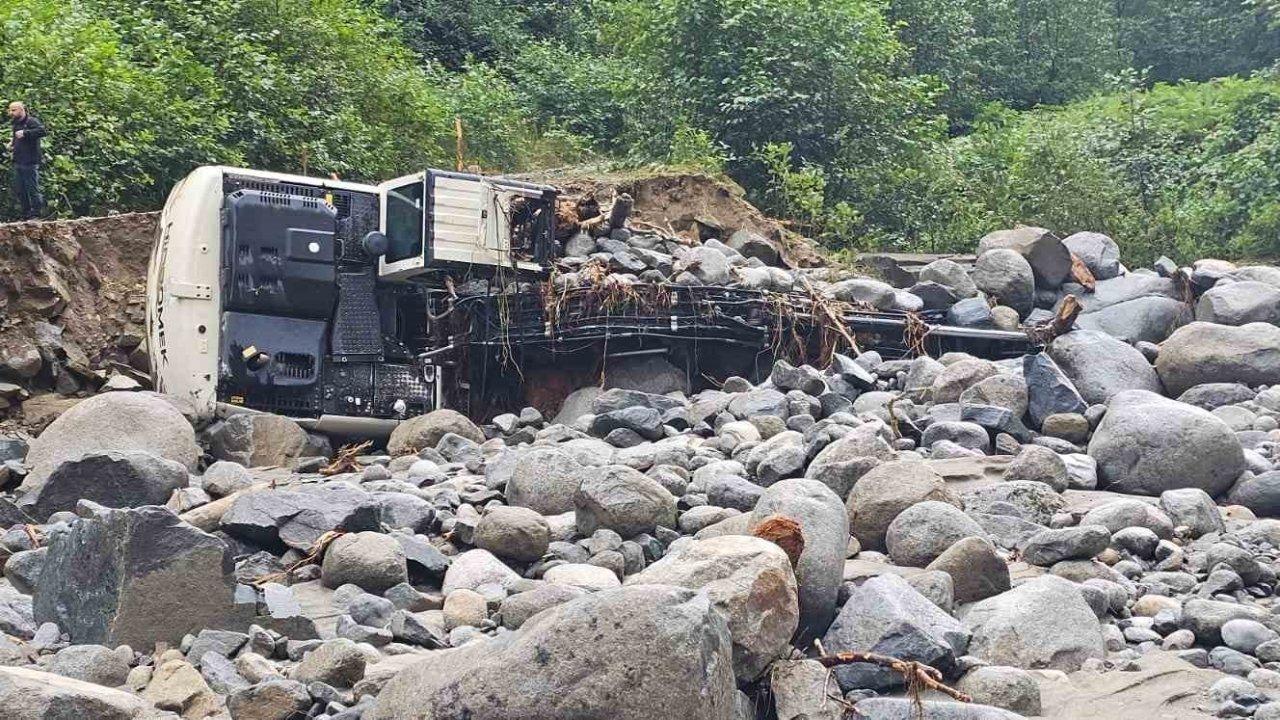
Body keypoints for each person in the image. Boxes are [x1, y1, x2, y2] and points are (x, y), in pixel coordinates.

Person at [7, 101, 47, 219]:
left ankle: (36, 214)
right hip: (18, 161)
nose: (11, 113)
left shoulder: (31, 121)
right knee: (21, 190)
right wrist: (12, 145)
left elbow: (43, 131)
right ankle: (26, 214)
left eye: (14, 110)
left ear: (21, 109)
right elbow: (16, 139)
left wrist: (26, 133)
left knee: (32, 189)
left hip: (30, 161)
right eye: (10, 110)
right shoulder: (16, 124)